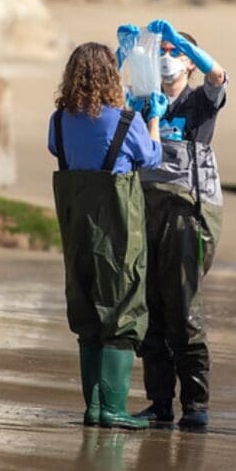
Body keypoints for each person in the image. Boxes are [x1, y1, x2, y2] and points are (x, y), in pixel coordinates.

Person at [48, 42, 165, 429]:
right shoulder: (125, 120)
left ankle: (94, 406)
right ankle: (113, 408)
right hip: (117, 226)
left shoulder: (58, 120)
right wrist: (153, 121)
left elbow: (55, 149)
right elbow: (150, 158)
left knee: (85, 308)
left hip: (76, 226)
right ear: (110, 77)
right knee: (123, 307)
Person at [132, 20, 228, 429]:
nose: (168, 61)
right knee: (150, 307)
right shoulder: (145, 101)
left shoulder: (200, 103)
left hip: (190, 212)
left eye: (176, 55)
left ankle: (195, 404)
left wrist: (179, 40)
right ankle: (158, 402)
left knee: (183, 308)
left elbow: (218, 75)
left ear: (189, 65)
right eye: (163, 54)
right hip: (147, 209)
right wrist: (132, 56)